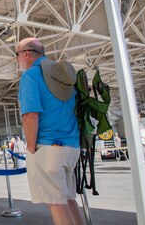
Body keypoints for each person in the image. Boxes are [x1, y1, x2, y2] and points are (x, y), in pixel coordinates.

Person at [16, 37, 83, 225]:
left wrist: (30, 148)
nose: (17, 60)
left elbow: (30, 115)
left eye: (17, 55)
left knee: (56, 204)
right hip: (71, 146)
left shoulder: (31, 75)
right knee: (69, 200)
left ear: (26, 54)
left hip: (49, 147)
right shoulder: (62, 73)